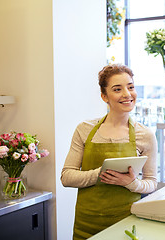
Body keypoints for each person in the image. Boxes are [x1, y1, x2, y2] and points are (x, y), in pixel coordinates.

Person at [61, 64, 158, 240]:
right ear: (104, 96)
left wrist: (131, 183)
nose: (127, 94)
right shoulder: (84, 129)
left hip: (127, 221)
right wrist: (100, 173)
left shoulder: (145, 135)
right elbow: (66, 177)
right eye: (117, 89)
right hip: (86, 223)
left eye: (131, 87)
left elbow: (151, 182)